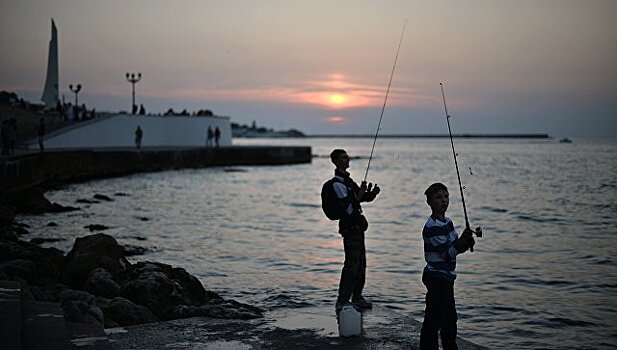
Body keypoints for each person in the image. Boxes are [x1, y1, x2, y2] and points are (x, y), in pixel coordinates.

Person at [419, 183, 476, 350]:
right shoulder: (432, 226)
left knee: (450, 318)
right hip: (437, 277)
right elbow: (447, 252)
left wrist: (466, 241)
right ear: (430, 202)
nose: (443, 201)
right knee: (434, 319)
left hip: (447, 277)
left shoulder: (448, 222)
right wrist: (461, 243)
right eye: (438, 197)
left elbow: (456, 248)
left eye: (446, 197)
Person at [329, 149, 381, 313]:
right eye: (344, 157)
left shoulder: (347, 181)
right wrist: (359, 195)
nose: (348, 159)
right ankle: (342, 300)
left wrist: (370, 195)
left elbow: (359, 198)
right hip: (350, 228)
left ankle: (357, 297)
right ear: (336, 161)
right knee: (351, 264)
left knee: (361, 264)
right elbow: (348, 206)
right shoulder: (337, 183)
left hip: (358, 227)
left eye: (347, 156)